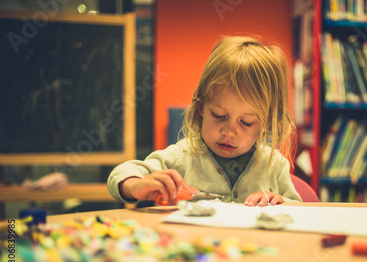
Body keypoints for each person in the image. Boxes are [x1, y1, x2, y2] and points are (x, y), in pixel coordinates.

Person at [107, 36, 302, 206]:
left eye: (246, 122)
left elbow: (299, 208)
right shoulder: (182, 157)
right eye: (218, 115)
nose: (228, 132)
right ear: (201, 107)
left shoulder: (274, 164)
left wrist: (281, 202)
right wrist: (135, 186)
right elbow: (122, 173)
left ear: (265, 124)